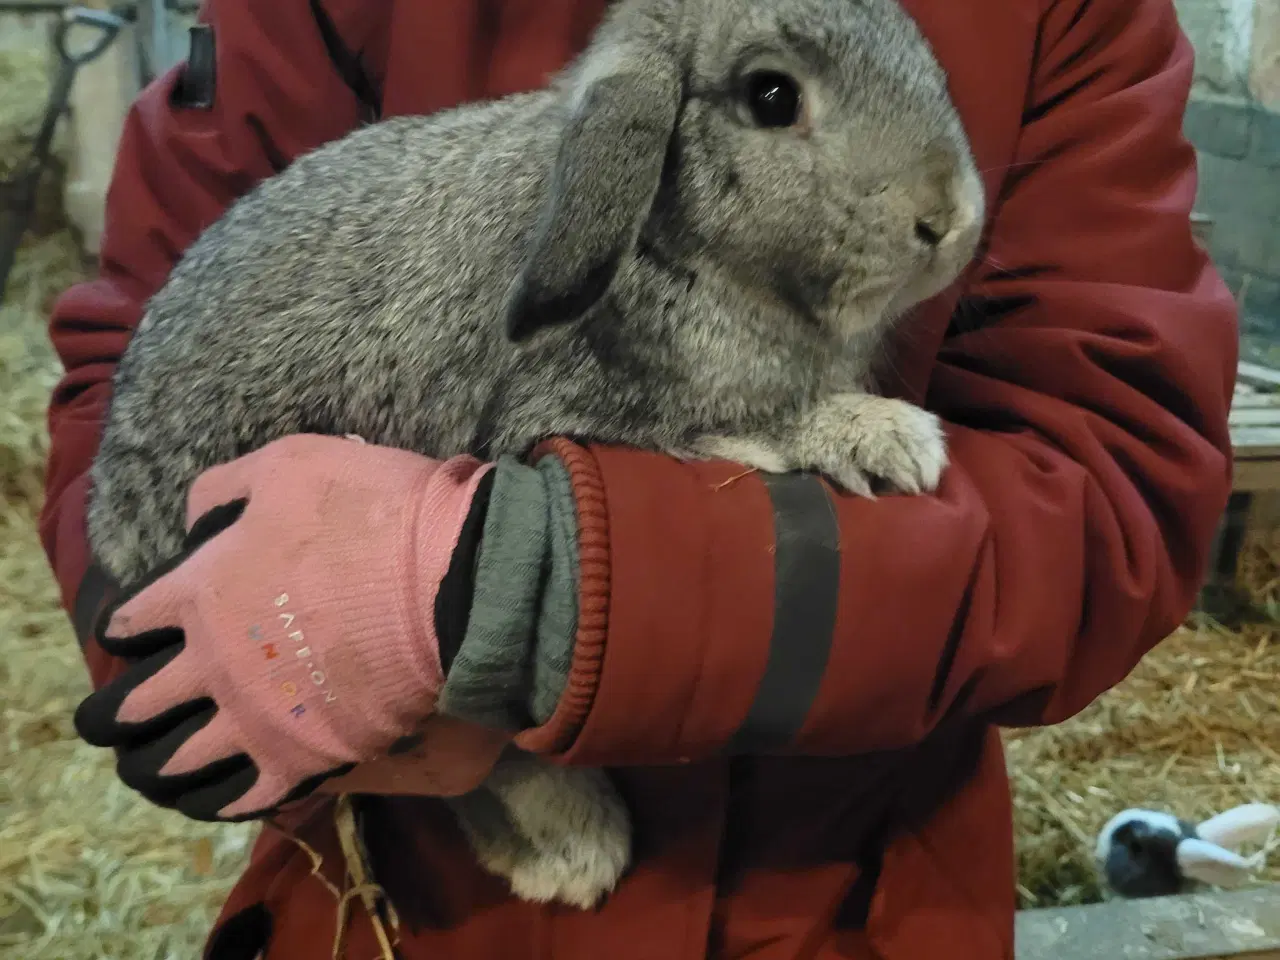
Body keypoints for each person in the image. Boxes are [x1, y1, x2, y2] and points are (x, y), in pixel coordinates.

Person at [40, 0, 1238, 957]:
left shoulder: (1066, 21)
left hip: (847, 892)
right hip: (402, 898)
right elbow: (134, 357)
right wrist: (177, 638)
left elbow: (1111, 491)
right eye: (774, 100)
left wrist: (514, 591)